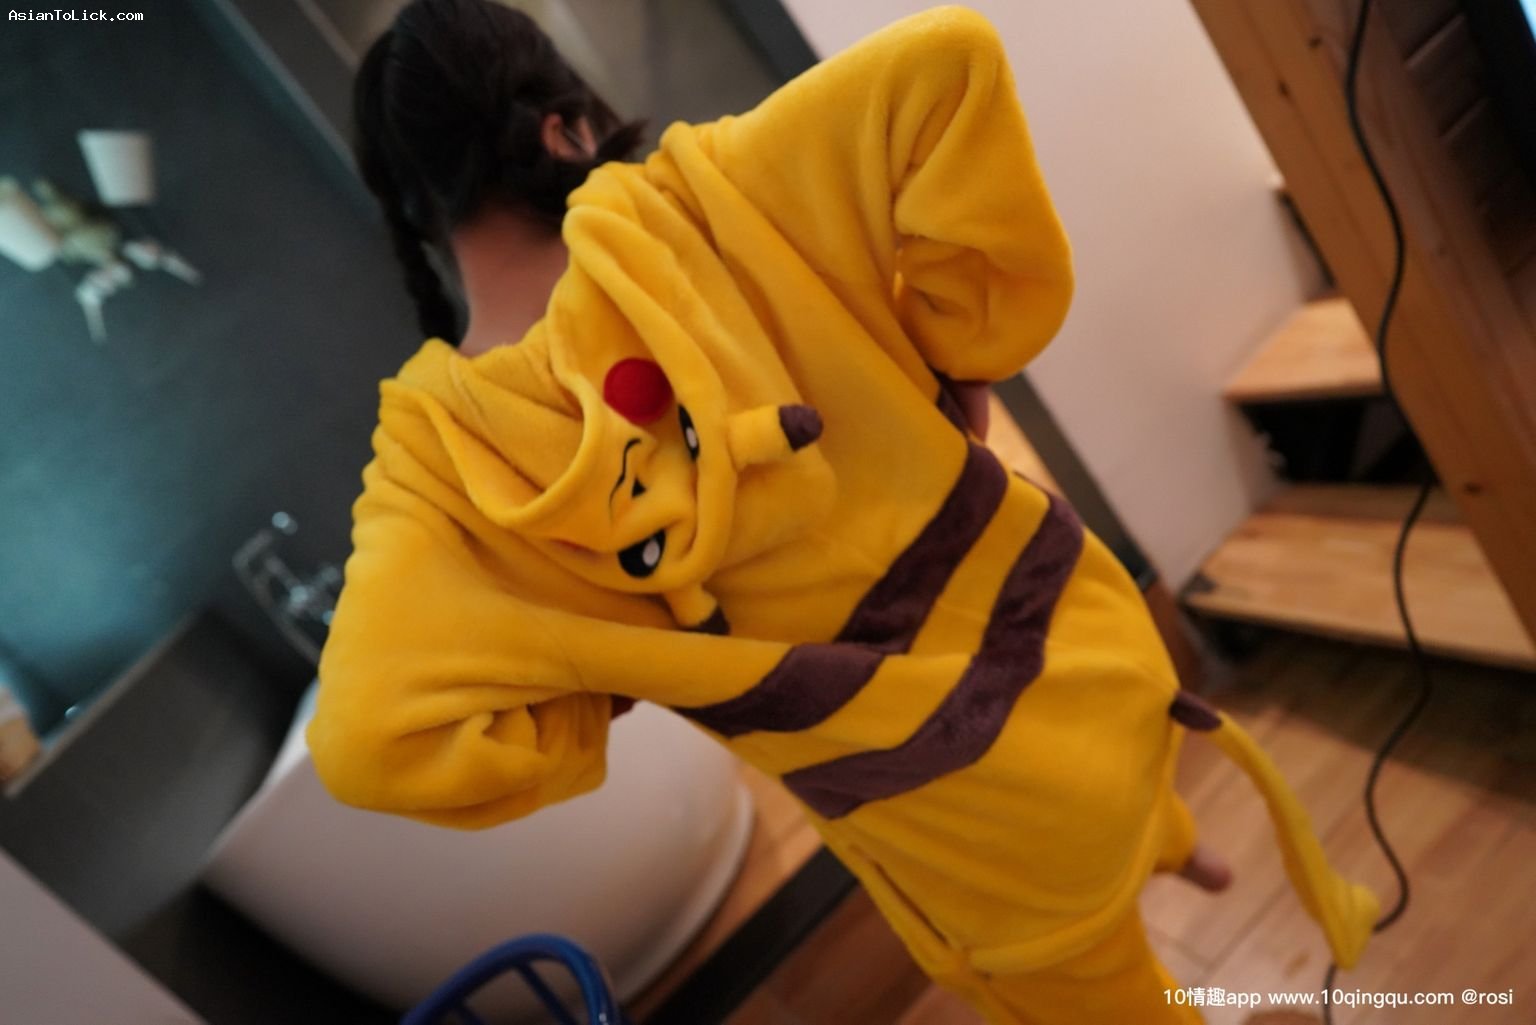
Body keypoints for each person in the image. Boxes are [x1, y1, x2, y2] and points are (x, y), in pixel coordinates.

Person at [310, 2, 1378, 1022]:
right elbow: (948, 63)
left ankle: (1160, 868)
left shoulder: (442, 462)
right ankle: (1177, 843)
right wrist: (962, 352)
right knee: (1109, 779)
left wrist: (601, 676)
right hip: (1082, 657)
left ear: (410, 210)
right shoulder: (711, 194)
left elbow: (367, 745)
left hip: (951, 817)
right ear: (561, 126)